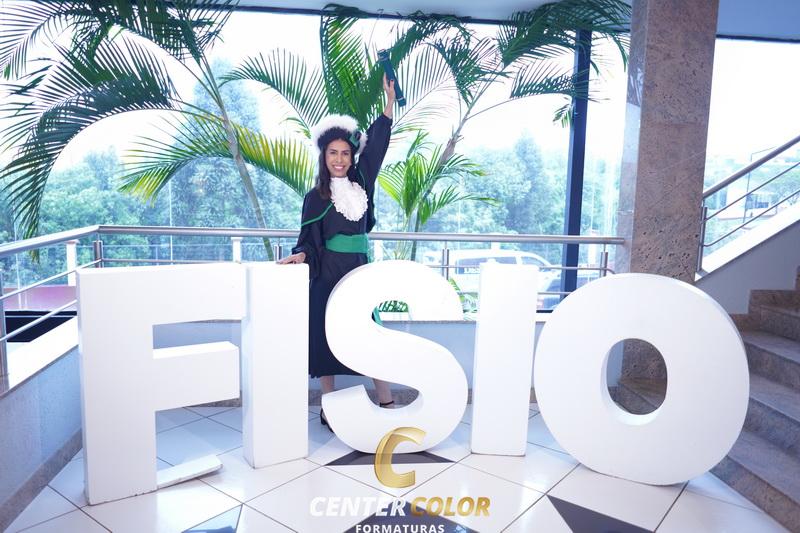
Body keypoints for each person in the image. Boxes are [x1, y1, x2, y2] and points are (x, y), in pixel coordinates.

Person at [278, 75, 396, 429]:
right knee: (325, 336)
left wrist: (389, 104)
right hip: (327, 274)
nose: (340, 159)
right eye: (333, 153)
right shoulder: (314, 197)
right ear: (324, 156)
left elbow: (376, 148)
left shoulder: (362, 183)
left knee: (370, 334)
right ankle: (328, 406)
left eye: (345, 153)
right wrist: (301, 256)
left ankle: (386, 400)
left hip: (358, 271)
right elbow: (307, 239)